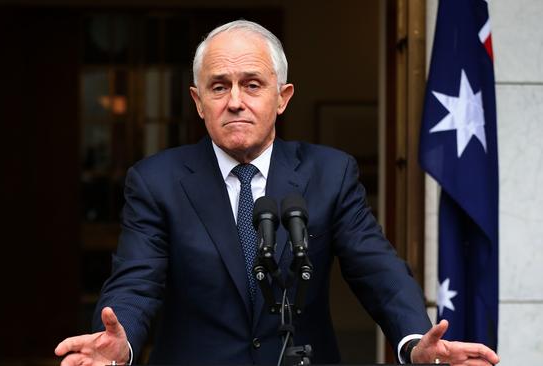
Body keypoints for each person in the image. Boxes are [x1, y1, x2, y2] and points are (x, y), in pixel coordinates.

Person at [55, 20, 500, 366]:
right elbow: (137, 281)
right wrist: (119, 345)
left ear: (282, 97)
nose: (234, 101)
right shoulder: (156, 181)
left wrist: (411, 341)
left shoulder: (330, 173)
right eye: (218, 86)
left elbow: (376, 268)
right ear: (197, 101)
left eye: (252, 84)